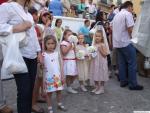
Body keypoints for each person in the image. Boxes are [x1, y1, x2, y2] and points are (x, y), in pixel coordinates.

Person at [0, 1, 42, 113]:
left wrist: (38, 52)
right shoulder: (7, 7)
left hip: (32, 55)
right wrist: (16, 27)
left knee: (29, 91)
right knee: (24, 91)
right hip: (19, 55)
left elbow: (33, 35)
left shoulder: (28, 13)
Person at [112, 1, 143, 90]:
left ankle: (123, 81)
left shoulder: (116, 15)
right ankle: (133, 84)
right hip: (125, 42)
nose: (132, 10)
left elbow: (112, 27)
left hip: (117, 43)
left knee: (121, 63)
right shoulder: (127, 14)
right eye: (132, 9)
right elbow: (130, 28)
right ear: (129, 7)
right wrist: (132, 38)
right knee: (132, 63)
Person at [43, 35, 66, 113]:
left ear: (55, 44)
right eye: (48, 43)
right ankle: (49, 107)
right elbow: (41, 68)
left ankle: (59, 104)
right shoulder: (43, 55)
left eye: (52, 43)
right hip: (48, 77)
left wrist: (63, 76)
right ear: (45, 44)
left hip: (57, 77)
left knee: (59, 91)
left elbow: (61, 65)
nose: (50, 45)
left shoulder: (57, 53)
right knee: (49, 93)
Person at [90, 30, 109, 95]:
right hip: (95, 62)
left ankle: (102, 88)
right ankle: (97, 86)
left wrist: (100, 50)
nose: (97, 37)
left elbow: (105, 54)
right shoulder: (94, 45)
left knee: (101, 74)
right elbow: (93, 53)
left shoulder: (102, 45)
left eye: (99, 36)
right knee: (95, 73)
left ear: (102, 37)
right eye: (96, 36)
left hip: (101, 62)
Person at [60, 29, 78, 94]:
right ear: (64, 36)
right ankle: (69, 87)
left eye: (71, 35)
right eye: (68, 35)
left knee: (74, 75)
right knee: (69, 75)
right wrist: (70, 45)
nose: (70, 36)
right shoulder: (63, 43)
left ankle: (69, 85)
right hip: (68, 61)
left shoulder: (72, 43)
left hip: (73, 60)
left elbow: (74, 51)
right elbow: (64, 52)